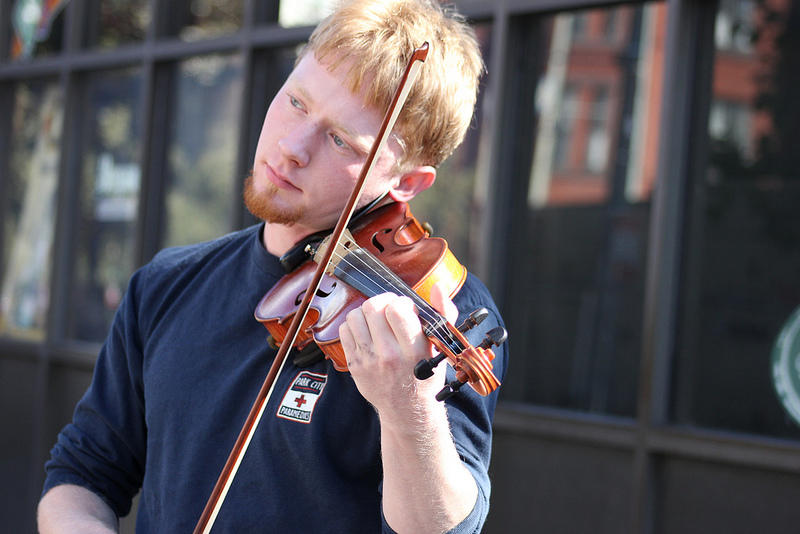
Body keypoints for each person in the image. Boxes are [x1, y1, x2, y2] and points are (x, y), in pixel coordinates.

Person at [37, 0, 508, 532]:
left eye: (339, 140)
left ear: (408, 183)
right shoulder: (165, 284)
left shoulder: (438, 313)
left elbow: (443, 528)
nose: (291, 147)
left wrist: (408, 405)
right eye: (297, 102)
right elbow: (81, 476)